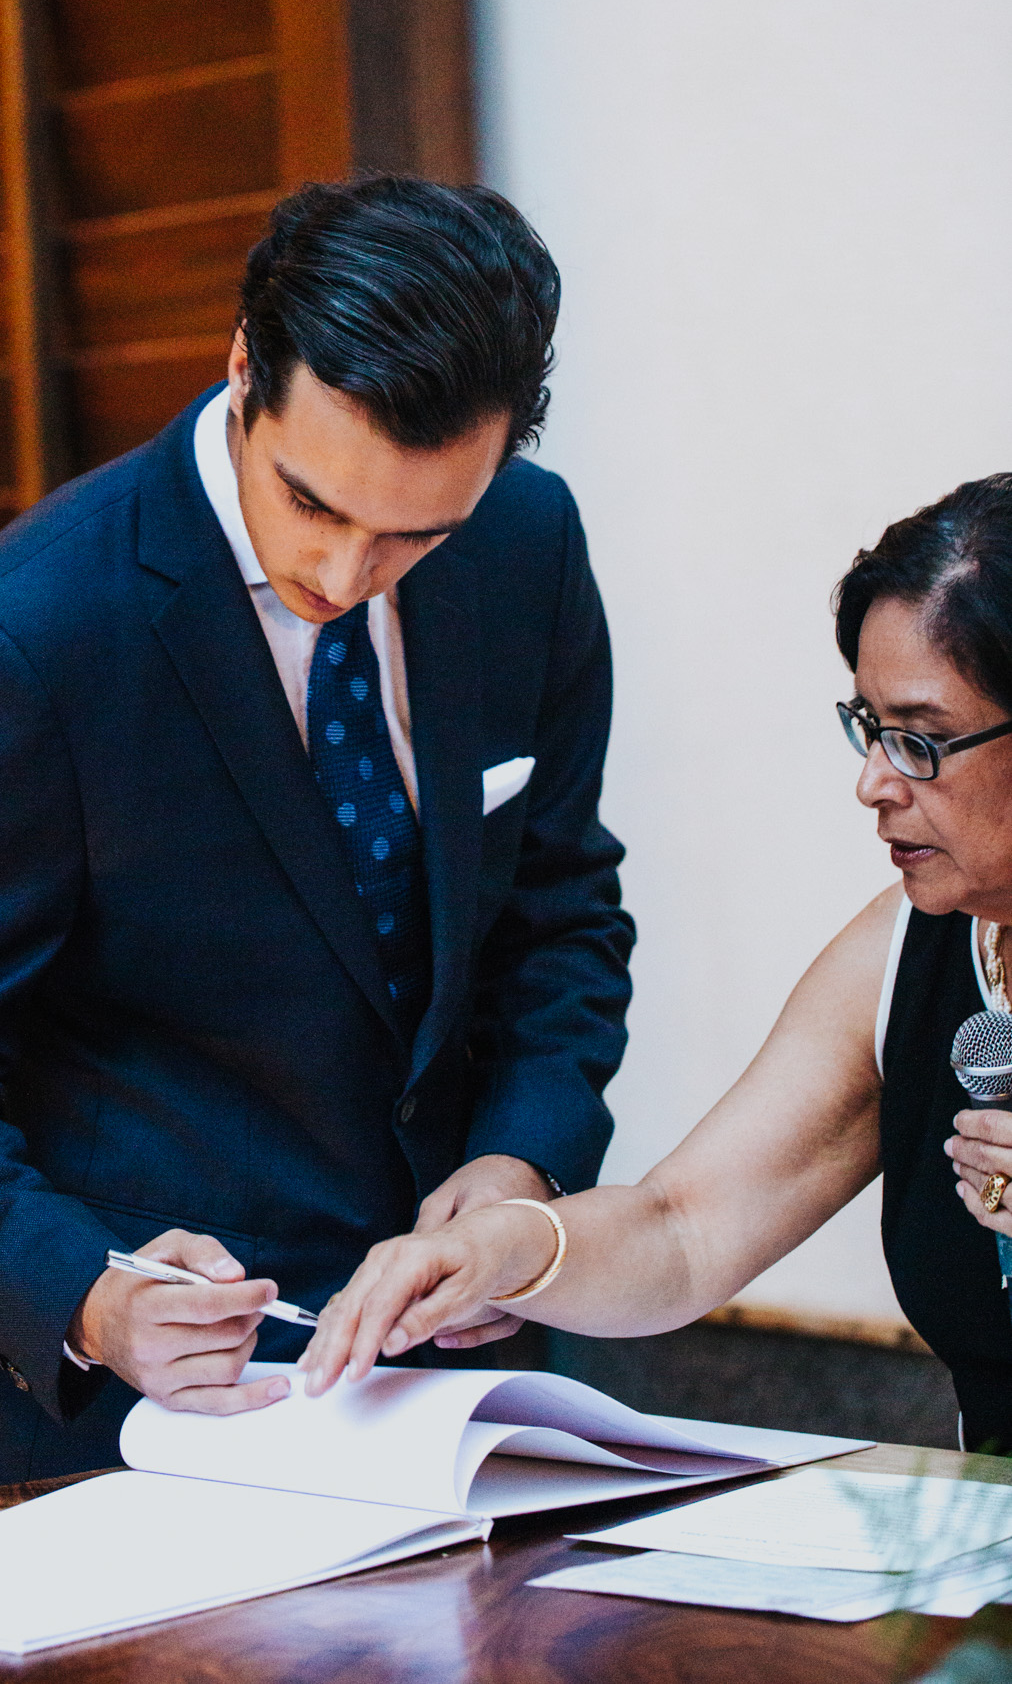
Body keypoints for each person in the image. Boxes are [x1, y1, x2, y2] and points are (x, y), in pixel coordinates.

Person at [0, 174, 636, 1489]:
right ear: (244, 366)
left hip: (458, 1396)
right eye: (313, 503)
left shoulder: (526, 545)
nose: (343, 573)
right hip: (131, 1427)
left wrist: (518, 1164)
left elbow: (563, 916)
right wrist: (87, 1293)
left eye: (415, 531)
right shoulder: (28, 634)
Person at [300, 473, 1012, 1450]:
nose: (872, 783)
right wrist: (508, 1247)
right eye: (869, 729)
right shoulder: (906, 951)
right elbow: (683, 1231)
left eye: (922, 742)